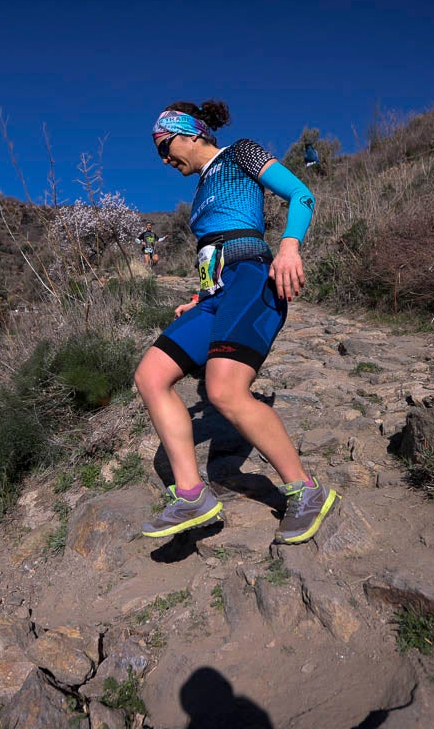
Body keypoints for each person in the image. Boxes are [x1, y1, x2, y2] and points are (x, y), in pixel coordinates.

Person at [137, 100, 337, 545]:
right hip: (215, 295)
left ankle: (305, 491)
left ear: (191, 133)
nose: (166, 159)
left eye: (166, 147)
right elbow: (212, 251)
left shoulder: (239, 153)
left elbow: (302, 195)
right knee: (151, 375)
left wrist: (288, 247)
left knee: (223, 391)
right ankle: (191, 495)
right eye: (160, 154)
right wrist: (199, 296)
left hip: (252, 279)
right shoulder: (200, 189)